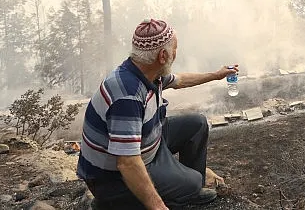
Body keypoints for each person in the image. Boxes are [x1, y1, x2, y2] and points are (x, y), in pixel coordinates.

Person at [76, 18, 238, 210]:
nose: (176, 54)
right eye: (175, 49)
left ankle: (187, 188)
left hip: (148, 145)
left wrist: (215, 75)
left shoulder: (146, 71)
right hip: (112, 178)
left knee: (197, 124)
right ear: (163, 55)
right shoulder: (128, 95)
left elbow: (181, 80)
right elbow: (127, 163)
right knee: (193, 182)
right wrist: (158, 207)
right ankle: (112, 202)